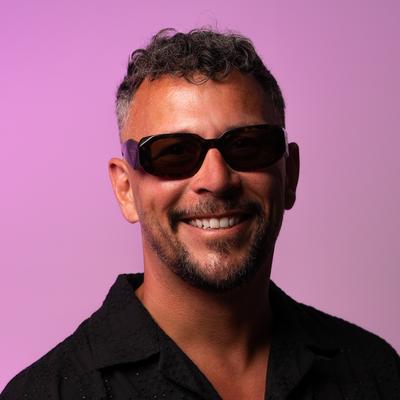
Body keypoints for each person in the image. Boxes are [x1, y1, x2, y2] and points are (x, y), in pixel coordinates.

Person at [1, 28, 399, 400]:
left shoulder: (377, 372)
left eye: (247, 146)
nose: (217, 179)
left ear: (289, 174)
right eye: (174, 152)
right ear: (125, 189)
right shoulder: (46, 393)